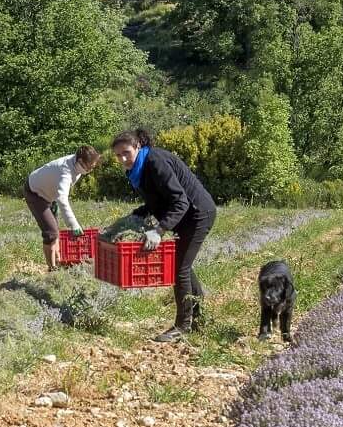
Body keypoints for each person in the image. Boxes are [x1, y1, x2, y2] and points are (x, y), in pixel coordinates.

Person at [112, 128, 217, 342]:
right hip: (184, 216)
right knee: (183, 266)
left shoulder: (155, 162)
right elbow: (156, 201)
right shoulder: (136, 170)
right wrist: (130, 219)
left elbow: (180, 201)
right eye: (118, 155)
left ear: (138, 146)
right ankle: (197, 318)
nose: (123, 158)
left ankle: (183, 326)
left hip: (197, 213)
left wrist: (159, 231)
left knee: (180, 269)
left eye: (126, 152)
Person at [25, 146, 99, 270]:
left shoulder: (76, 164)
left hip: (49, 194)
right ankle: (51, 268)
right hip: (35, 192)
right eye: (90, 166)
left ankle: (58, 261)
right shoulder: (65, 170)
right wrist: (74, 224)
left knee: (55, 231)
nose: (92, 169)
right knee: (51, 232)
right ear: (80, 161)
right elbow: (62, 199)